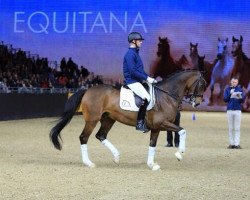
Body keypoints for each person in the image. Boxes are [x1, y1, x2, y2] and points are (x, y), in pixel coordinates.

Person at [123, 32, 157, 133]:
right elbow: (133, 71)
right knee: (147, 97)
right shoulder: (130, 54)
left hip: (138, 80)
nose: (141, 42)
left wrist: (148, 78)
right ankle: (140, 122)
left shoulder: (135, 53)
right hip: (132, 81)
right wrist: (147, 78)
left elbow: (140, 70)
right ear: (133, 41)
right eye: (139, 40)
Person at [223, 76, 245, 149]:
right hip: (229, 110)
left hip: (238, 110)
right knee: (231, 128)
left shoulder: (240, 89)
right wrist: (230, 94)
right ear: (230, 82)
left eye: (235, 82)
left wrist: (239, 96)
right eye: (233, 82)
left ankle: (237, 144)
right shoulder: (227, 89)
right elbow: (225, 99)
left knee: (237, 128)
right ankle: (231, 143)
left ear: (237, 83)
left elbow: (243, 100)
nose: (234, 83)